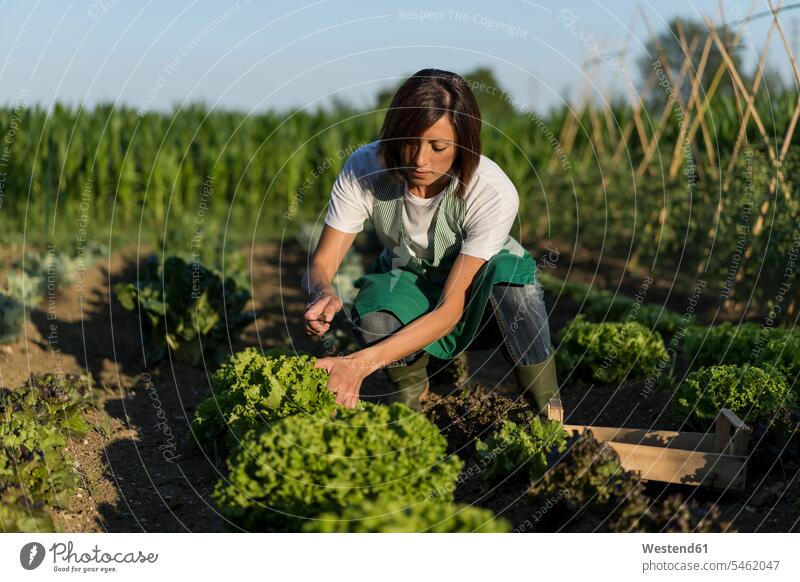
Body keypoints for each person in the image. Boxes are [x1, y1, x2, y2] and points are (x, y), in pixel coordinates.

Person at [302, 68, 559, 415]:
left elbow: (449, 311)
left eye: (438, 147)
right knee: (375, 311)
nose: (420, 160)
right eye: (410, 142)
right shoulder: (364, 169)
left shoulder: (491, 191)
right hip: (409, 277)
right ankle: (411, 398)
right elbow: (323, 263)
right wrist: (323, 292)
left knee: (515, 288)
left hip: (478, 292)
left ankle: (546, 407)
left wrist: (358, 365)